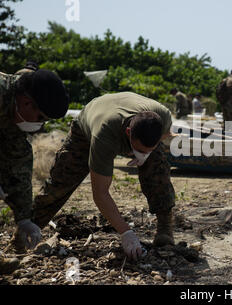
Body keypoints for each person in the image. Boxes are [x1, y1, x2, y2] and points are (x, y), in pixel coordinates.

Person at [29, 92, 176, 261]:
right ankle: (29, 228)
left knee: (157, 165)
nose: (143, 154)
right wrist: (126, 232)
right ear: (128, 133)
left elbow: (165, 135)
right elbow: (100, 193)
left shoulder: (162, 115)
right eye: (140, 150)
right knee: (62, 180)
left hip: (126, 114)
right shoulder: (104, 135)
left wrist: (147, 154)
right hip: (88, 127)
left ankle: (165, 227)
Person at [0, 69, 69, 273]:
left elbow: (18, 168)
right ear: (26, 101)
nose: (40, 126)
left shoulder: (15, 119)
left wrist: (24, 219)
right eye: (40, 117)